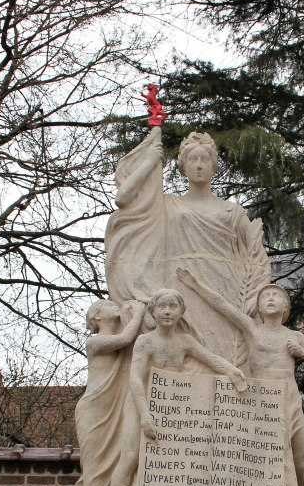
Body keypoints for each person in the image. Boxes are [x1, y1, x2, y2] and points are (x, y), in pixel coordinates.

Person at [105, 127, 270, 369]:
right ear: (184, 166)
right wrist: (150, 161)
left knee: (227, 360)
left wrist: (256, 293)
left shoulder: (233, 212)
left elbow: (256, 255)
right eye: (193, 159)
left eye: (205, 159)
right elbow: (123, 199)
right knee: (188, 361)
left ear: (214, 166)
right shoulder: (167, 205)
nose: (199, 165)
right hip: (179, 287)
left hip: (227, 291)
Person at [176, 267, 304, 486]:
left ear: (285, 308)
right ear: (258, 307)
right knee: (264, 454)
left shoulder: (294, 336)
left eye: (276, 296)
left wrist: (302, 352)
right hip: (261, 398)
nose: (270, 298)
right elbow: (222, 305)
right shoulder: (251, 328)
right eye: (265, 296)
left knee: (300, 457)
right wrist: (194, 283)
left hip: (288, 396)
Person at [97, 288, 248, 486]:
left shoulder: (185, 341)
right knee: (130, 457)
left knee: (178, 460)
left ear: (181, 311)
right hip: (141, 404)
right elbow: (135, 378)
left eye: (172, 306)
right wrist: (145, 415)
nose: (167, 311)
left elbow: (210, 359)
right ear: (153, 312)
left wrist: (231, 370)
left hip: (172, 410)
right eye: (162, 307)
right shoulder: (145, 341)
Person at [63, 299, 145, 486]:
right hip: (94, 408)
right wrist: (138, 313)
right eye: (108, 305)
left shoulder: (120, 343)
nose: (114, 306)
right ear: (97, 317)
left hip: (116, 406)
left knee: (115, 459)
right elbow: (125, 339)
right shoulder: (95, 343)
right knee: (95, 463)